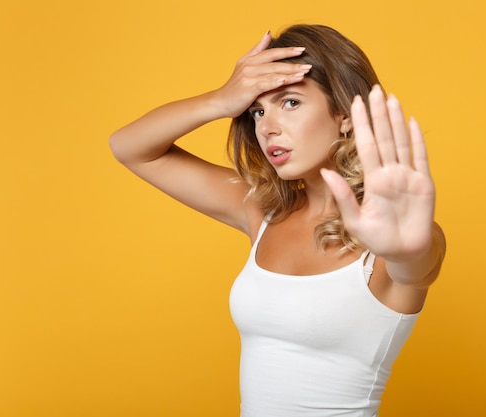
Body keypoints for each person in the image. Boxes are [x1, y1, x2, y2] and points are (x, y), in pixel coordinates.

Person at [110, 24, 446, 417]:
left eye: (290, 103)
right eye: (257, 110)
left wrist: (410, 251)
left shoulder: (397, 239)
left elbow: (418, 265)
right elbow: (130, 148)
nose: (267, 128)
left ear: (344, 114)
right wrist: (221, 100)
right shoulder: (264, 212)